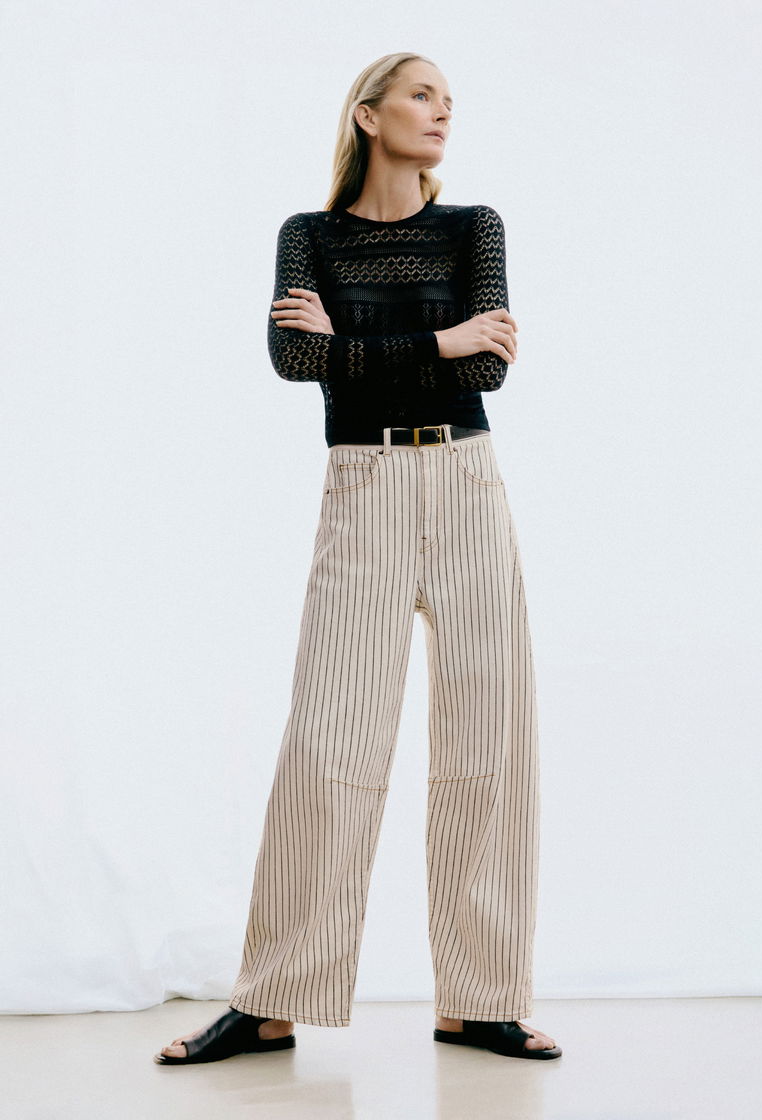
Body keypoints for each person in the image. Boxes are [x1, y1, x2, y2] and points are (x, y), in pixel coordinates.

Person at [155, 51, 561, 1065]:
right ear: (369, 115)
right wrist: (437, 340)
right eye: (422, 94)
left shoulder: (474, 228)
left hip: (465, 483)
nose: (442, 111)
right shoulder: (310, 235)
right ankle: (272, 999)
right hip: (362, 487)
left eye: (448, 100)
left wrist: (364, 344)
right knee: (328, 745)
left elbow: (488, 369)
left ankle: (481, 998)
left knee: (488, 738)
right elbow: (296, 359)